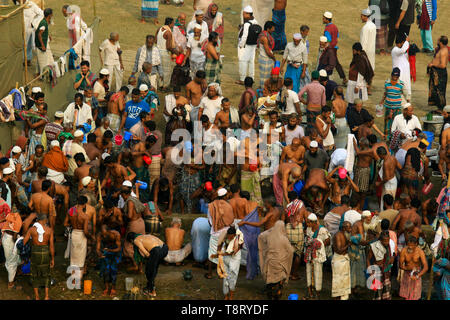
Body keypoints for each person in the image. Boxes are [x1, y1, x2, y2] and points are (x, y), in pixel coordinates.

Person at [258, 220, 294, 300]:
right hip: (280, 264)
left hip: (270, 263)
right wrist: (286, 257)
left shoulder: (269, 236)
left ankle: (270, 293)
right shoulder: (284, 239)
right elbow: (291, 251)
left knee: (270, 280)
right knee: (279, 280)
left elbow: (261, 236)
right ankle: (277, 293)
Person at [126, 232, 168, 297]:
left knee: (149, 271)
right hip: (165, 248)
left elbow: (147, 254)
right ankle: (149, 286)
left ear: (131, 240)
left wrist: (147, 258)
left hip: (156, 251)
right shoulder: (144, 236)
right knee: (154, 268)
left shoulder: (136, 240)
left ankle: (152, 291)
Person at [23, 214, 54, 300]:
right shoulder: (49, 230)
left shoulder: (32, 229)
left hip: (35, 252)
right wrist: (52, 259)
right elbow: (51, 246)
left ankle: (37, 297)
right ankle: (46, 296)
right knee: (46, 274)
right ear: (45, 220)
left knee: (35, 275)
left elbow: (24, 242)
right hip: (45, 252)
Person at [205, 188, 234, 279]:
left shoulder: (211, 206)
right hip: (225, 233)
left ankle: (210, 273)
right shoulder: (228, 206)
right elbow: (231, 221)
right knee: (224, 252)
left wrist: (216, 226)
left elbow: (210, 222)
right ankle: (222, 272)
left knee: (212, 253)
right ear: (225, 196)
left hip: (215, 233)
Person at [211, 225, 244, 300]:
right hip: (226, 257)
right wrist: (218, 252)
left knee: (233, 277)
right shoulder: (224, 236)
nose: (230, 238)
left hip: (235, 258)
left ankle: (231, 295)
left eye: (231, 237)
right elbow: (219, 245)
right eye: (229, 236)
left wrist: (219, 254)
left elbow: (232, 252)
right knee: (225, 276)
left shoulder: (239, 239)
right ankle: (226, 295)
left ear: (234, 235)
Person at [304, 213, 331, 299]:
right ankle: (309, 292)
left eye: (309, 222)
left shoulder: (322, 230)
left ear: (314, 222)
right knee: (308, 272)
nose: (307, 224)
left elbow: (328, 241)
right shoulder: (308, 229)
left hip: (318, 256)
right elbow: (307, 239)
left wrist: (318, 243)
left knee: (318, 273)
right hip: (309, 255)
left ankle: (317, 293)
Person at [64, 196, 91, 279]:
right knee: (81, 259)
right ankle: (78, 281)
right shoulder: (85, 216)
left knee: (73, 258)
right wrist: (90, 237)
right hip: (81, 235)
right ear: (84, 204)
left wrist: (72, 225)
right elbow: (86, 231)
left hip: (74, 234)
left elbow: (65, 223)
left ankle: (73, 280)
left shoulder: (71, 211)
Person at [367, 231, 395, 300]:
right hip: (377, 270)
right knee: (377, 290)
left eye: (387, 240)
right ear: (380, 240)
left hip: (386, 270)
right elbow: (368, 259)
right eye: (384, 241)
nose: (386, 242)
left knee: (386, 288)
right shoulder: (374, 246)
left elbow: (393, 253)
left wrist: (392, 258)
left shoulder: (389, 245)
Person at [399, 236, 428, 300]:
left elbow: (426, 267)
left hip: (417, 274)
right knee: (405, 295)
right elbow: (400, 265)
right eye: (408, 245)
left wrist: (417, 276)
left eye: (412, 246)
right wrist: (407, 268)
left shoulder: (420, 252)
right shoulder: (404, 250)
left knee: (415, 296)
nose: (410, 247)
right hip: (407, 275)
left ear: (416, 244)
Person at [380, 67, 407, 137]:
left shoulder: (401, 84)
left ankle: (396, 137)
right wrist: (382, 101)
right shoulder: (387, 83)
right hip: (388, 107)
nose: (395, 78)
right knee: (387, 123)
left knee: (397, 123)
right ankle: (387, 137)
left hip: (397, 108)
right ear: (391, 75)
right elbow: (385, 93)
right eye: (393, 76)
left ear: (398, 76)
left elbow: (405, 94)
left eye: (396, 76)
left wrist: (407, 104)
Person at [96, 224, 121, 297]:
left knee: (113, 270)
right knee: (105, 269)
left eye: (105, 234)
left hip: (115, 251)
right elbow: (97, 249)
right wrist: (99, 254)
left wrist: (110, 250)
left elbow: (119, 248)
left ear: (109, 231)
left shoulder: (116, 234)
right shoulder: (99, 235)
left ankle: (113, 288)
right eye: (102, 234)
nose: (104, 236)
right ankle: (106, 288)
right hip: (105, 251)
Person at [322, 11, 347, 84]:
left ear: (327, 19)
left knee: (329, 64)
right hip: (334, 48)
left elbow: (328, 40)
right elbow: (337, 35)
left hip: (330, 49)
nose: (322, 19)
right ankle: (344, 78)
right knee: (336, 63)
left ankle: (327, 78)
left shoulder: (327, 29)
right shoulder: (334, 27)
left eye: (323, 18)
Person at [236, 6, 258, 85]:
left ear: (247, 14)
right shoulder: (255, 21)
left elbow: (244, 36)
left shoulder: (247, 24)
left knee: (242, 61)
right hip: (253, 45)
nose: (243, 15)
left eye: (244, 14)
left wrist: (241, 45)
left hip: (245, 46)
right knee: (251, 62)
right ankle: (251, 78)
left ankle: (242, 79)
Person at [1, 209, 22, 290]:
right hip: (9, 240)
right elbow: (14, 236)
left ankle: (13, 272)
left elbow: (5, 220)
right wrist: (16, 244)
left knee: (10, 258)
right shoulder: (18, 220)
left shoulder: (10, 216)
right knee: (12, 262)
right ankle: (11, 284)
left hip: (5, 238)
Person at [332, 221, 352, 300]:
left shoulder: (345, 234)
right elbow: (339, 250)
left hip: (344, 259)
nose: (350, 229)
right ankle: (337, 297)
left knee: (344, 280)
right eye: (349, 227)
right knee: (338, 281)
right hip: (338, 260)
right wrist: (348, 245)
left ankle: (342, 297)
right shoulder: (338, 235)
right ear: (344, 228)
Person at [427, 36, 448, 109]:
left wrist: (433, 64)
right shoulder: (440, 49)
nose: (437, 41)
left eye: (438, 40)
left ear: (441, 42)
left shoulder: (443, 51)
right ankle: (439, 107)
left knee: (439, 91)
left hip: (440, 73)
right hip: (436, 72)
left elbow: (443, 65)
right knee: (435, 90)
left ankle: (441, 108)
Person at [156, 18, 177, 90]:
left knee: (160, 69)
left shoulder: (159, 29)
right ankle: (165, 87)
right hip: (164, 53)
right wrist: (175, 51)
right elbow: (168, 47)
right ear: (170, 24)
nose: (173, 24)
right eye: (173, 23)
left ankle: (160, 85)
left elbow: (156, 40)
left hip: (157, 51)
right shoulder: (168, 32)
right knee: (167, 71)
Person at [35, 8, 55, 76]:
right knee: (43, 61)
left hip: (43, 43)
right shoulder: (43, 23)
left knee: (42, 60)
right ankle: (42, 75)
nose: (52, 15)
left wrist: (48, 35)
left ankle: (39, 73)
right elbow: (39, 34)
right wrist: (43, 45)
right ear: (49, 15)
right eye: (51, 14)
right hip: (41, 45)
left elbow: (43, 31)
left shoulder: (45, 21)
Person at [23, 0, 43, 66]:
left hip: (30, 29)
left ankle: (28, 60)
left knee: (28, 44)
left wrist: (34, 23)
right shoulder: (18, 6)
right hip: (22, 29)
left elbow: (41, 14)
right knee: (22, 45)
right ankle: (23, 59)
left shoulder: (31, 5)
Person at [391, 35, 412, 100]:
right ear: (401, 43)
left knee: (406, 86)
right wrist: (407, 42)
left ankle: (407, 99)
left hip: (405, 72)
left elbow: (405, 54)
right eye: (403, 43)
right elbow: (403, 50)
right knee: (399, 87)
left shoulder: (399, 50)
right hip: (399, 73)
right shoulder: (395, 50)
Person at [258, 21, 276, 89]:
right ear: (268, 29)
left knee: (268, 76)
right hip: (265, 59)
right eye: (272, 28)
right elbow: (268, 52)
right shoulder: (264, 38)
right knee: (264, 78)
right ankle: (263, 91)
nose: (274, 30)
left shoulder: (266, 35)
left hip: (267, 59)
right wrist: (274, 58)